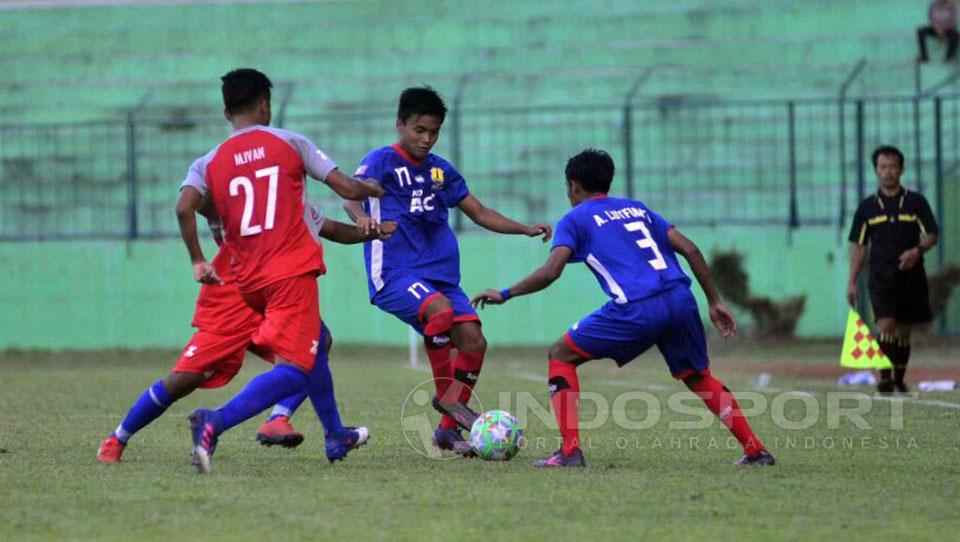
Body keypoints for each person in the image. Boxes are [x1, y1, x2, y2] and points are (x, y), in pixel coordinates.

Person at [267, 86, 552, 457]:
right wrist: (364, 218)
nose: (426, 138)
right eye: (419, 129)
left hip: (442, 277)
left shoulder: (441, 171)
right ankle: (448, 400)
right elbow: (351, 195)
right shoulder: (381, 161)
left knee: (473, 340)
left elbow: (479, 212)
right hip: (395, 272)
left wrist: (524, 228)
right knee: (439, 311)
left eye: (433, 131)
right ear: (400, 124)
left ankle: (447, 433)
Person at [471, 149, 774, 468]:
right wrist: (714, 301)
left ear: (573, 186)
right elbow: (690, 248)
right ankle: (756, 450)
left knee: (560, 355)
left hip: (638, 307)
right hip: (681, 297)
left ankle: (570, 451)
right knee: (697, 375)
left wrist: (505, 293)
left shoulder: (574, 219)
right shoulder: (636, 208)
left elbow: (551, 271)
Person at [175, 68, 384, 473]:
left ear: (226, 111)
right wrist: (373, 189)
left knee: (317, 340)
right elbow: (345, 187)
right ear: (265, 104)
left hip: (249, 278)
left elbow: (185, 206)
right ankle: (213, 422)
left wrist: (198, 258)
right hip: (290, 271)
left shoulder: (212, 160)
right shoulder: (288, 142)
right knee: (296, 366)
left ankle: (335, 434)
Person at [96, 205, 396, 464]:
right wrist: (206, 235)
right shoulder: (239, 189)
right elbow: (191, 201)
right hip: (232, 302)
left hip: (278, 297)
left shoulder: (296, 200)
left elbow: (331, 228)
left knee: (316, 346)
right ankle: (118, 438)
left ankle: (286, 421)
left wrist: (374, 231)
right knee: (181, 381)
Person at [847, 145, 939, 394]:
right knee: (886, 325)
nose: (888, 172)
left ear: (901, 169)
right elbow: (859, 246)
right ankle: (884, 378)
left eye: (893, 166)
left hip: (911, 274)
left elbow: (932, 234)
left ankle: (899, 378)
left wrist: (916, 251)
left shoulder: (915, 202)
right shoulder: (867, 208)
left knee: (904, 331)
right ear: (876, 171)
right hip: (880, 275)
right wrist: (852, 281)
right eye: (883, 167)